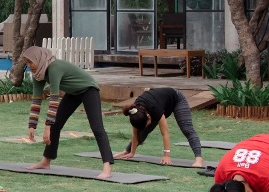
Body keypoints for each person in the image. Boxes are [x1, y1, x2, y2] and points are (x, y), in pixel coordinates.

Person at [20, 46, 115, 179]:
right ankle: (46, 162)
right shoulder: (38, 74)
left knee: (97, 127)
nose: (29, 65)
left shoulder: (54, 68)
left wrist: (47, 127)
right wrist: (32, 125)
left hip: (88, 89)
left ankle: (107, 167)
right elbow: (36, 100)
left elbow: (54, 99)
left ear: (38, 59)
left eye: (30, 62)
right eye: (27, 63)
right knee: (55, 124)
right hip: (73, 93)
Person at [114, 88, 204, 167]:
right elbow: (135, 133)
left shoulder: (155, 109)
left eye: (146, 123)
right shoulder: (136, 114)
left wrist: (166, 155)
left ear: (148, 116)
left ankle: (199, 158)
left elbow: (165, 134)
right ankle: (127, 150)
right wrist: (131, 152)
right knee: (143, 132)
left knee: (187, 129)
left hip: (176, 99)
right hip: (157, 104)